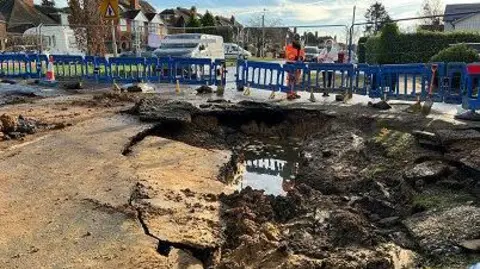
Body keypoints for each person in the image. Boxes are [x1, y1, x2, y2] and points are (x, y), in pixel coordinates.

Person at [284, 33, 305, 100]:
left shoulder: (300, 47)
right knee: (290, 80)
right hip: (291, 65)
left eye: (298, 39)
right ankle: (289, 94)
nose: (297, 40)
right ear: (293, 39)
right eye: (295, 39)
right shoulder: (289, 46)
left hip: (298, 65)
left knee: (297, 80)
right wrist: (296, 57)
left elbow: (303, 54)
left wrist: (302, 58)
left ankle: (294, 93)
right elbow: (289, 55)